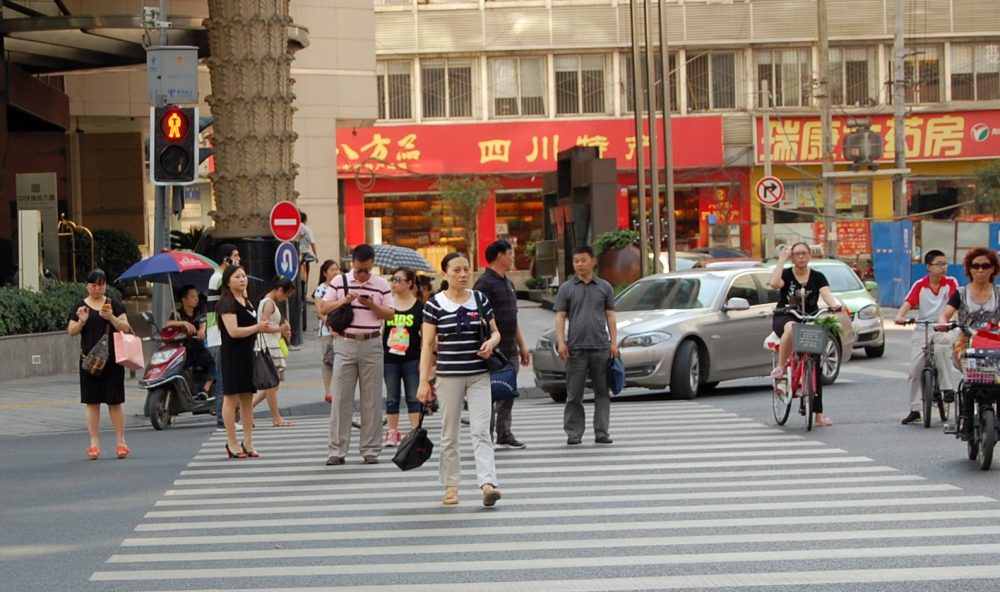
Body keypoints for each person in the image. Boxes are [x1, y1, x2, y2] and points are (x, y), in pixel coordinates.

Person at [417, 252, 503, 507]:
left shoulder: (480, 299)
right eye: (457, 270)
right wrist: (424, 382)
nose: (463, 274)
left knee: (481, 430)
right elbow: (427, 345)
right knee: (450, 434)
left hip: (479, 375)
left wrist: (491, 342)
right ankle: (451, 486)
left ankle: (488, 484)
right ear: (445, 274)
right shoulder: (434, 304)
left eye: (466, 269)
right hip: (448, 377)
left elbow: (497, 332)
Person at [318, 244, 394, 466]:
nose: (362, 275)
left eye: (367, 270)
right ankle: (337, 450)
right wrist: (344, 300)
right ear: (352, 264)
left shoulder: (380, 284)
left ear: (373, 266)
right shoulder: (339, 282)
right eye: (359, 270)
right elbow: (323, 308)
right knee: (341, 397)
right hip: (345, 342)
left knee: (371, 399)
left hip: (371, 342)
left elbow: (390, 314)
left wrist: (372, 305)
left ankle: (370, 449)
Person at [768, 242, 842, 428]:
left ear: (809, 255)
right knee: (791, 328)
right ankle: (781, 368)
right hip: (786, 316)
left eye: (804, 253)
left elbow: (826, 294)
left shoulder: (818, 276)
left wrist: (834, 304)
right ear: (792, 256)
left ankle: (819, 415)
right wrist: (781, 260)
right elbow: (774, 283)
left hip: (809, 317)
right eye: (796, 254)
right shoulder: (786, 274)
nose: (800, 256)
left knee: (814, 364)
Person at [554, 246, 618, 445]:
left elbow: (611, 316)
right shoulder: (567, 288)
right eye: (576, 261)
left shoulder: (604, 287)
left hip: (600, 346)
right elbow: (560, 316)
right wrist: (561, 342)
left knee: (602, 392)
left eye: (583, 260)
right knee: (574, 394)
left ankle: (602, 432)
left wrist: (614, 343)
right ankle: (574, 434)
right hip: (575, 348)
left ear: (593, 261)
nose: (579, 265)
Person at [68, 269, 132, 460]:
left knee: (115, 402)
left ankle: (121, 442)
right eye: (94, 284)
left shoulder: (113, 305)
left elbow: (126, 327)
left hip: (112, 361)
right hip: (90, 361)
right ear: (87, 285)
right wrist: (81, 321)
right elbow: (71, 331)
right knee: (92, 402)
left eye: (101, 284)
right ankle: (93, 443)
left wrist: (111, 317)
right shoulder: (80, 307)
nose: (97, 288)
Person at [938, 247, 1000, 440]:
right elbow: (945, 314)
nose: (980, 270)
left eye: (985, 266)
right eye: (975, 266)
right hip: (967, 342)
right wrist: (942, 323)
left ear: (993, 269)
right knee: (970, 384)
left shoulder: (999, 292)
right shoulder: (961, 293)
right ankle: (965, 419)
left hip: (995, 342)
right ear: (969, 269)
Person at [474, 239, 531, 448]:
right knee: (489, 394)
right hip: (492, 350)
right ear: (500, 256)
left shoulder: (508, 282)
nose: (512, 257)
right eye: (510, 253)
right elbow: (480, 318)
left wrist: (523, 346)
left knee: (508, 392)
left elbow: (512, 318)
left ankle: (504, 433)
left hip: (510, 348)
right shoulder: (484, 284)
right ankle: (485, 435)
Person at [894, 250, 959, 425]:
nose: (943, 267)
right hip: (924, 327)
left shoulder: (951, 283)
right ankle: (915, 409)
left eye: (945, 264)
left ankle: (946, 388)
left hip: (944, 327)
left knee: (943, 345)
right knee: (915, 368)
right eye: (939, 264)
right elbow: (908, 303)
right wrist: (900, 316)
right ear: (928, 267)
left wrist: (948, 322)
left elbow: (955, 304)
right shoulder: (920, 285)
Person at [218, 265, 269, 458]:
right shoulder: (226, 302)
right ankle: (232, 442)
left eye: (244, 276)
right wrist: (256, 327)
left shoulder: (246, 301)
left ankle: (248, 442)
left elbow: (257, 328)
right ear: (228, 281)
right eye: (237, 276)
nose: (242, 279)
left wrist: (276, 329)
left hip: (248, 352)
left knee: (247, 399)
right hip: (232, 354)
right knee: (231, 398)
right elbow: (234, 331)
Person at [382, 267, 424, 447]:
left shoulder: (420, 306)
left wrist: (427, 361)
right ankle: (392, 432)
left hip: (412, 357)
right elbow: (380, 330)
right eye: (393, 279)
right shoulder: (386, 305)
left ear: (409, 283)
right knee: (392, 397)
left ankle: (415, 431)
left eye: (399, 279)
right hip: (389, 358)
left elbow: (426, 336)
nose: (394, 283)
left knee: (413, 396)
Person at [252, 277, 295, 427]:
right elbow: (264, 326)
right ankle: (276, 417)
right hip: (269, 345)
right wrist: (281, 329)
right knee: (272, 384)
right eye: (286, 295)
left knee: (273, 384)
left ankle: (248, 408)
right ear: (280, 290)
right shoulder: (269, 303)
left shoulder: (269, 302)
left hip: (271, 343)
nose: (285, 299)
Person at [206, 243, 239, 428]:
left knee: (225, 378)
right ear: (226, 259)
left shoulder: (218, 277)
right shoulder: (219, 278)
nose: (238, 259)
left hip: (218, 334)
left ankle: (226, 419)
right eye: (235, 256)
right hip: (218, 335)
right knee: (223, 380)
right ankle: (223, 420)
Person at [164, 284, 215, 399]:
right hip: (182, 351)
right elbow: (168, 324)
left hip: (198, 349)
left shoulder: (199, 311)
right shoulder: (177, 314)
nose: (196, 299)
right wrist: (184, 323)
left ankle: (205, 390)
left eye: (196, 296)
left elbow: (203, 322)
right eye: (192, 297)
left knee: (214, 362)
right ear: (184, 299)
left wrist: (202, 330)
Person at [313, 259, 341, 403]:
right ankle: (328, 391)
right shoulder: (321, 289)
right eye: (332, 270)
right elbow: (320, 312)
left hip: (341, 330)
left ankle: (338, 389)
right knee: (328, 361)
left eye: (337, 269)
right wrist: (330, 326)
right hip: (327, 331)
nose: (335, 272)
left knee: (340, 360)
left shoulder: (341, 287)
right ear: (325, 273)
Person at [297, 211, 318, 281]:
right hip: (304, 254)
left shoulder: (294, 228)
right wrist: (316, 256)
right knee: (305, 274)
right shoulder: (307, 230)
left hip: (295, 253)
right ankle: (304, 282)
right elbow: (312, 243)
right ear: (305, 220)